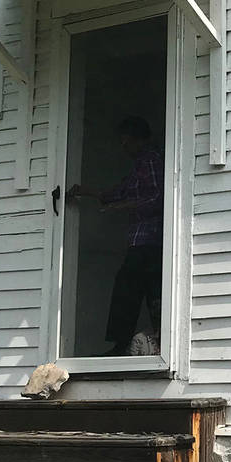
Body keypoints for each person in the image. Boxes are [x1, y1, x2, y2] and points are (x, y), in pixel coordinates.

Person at [67, 116, 163, 357]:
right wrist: (90, 192)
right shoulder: (139, 164)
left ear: (140, 139)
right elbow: (121, 191)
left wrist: (123, 208)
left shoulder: (150, 160)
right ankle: (131, 345)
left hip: (150, 239)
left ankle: (130, 345)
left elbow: (157, 198)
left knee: (132, 289)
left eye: (127, 142)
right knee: (140, 290)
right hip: (140, 240)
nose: (124, 147)